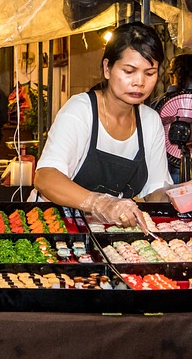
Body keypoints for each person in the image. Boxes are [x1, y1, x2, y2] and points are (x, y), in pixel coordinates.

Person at [34, 23, 172, 228]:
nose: (139, 82)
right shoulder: (80, 110)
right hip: (58, 226)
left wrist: (183, 195)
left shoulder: (150, 121)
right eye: (129, 71)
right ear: (107, 68)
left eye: (149, 73)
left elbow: (155, 192)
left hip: (111, 236)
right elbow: (45, 178)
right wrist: (100, 202)